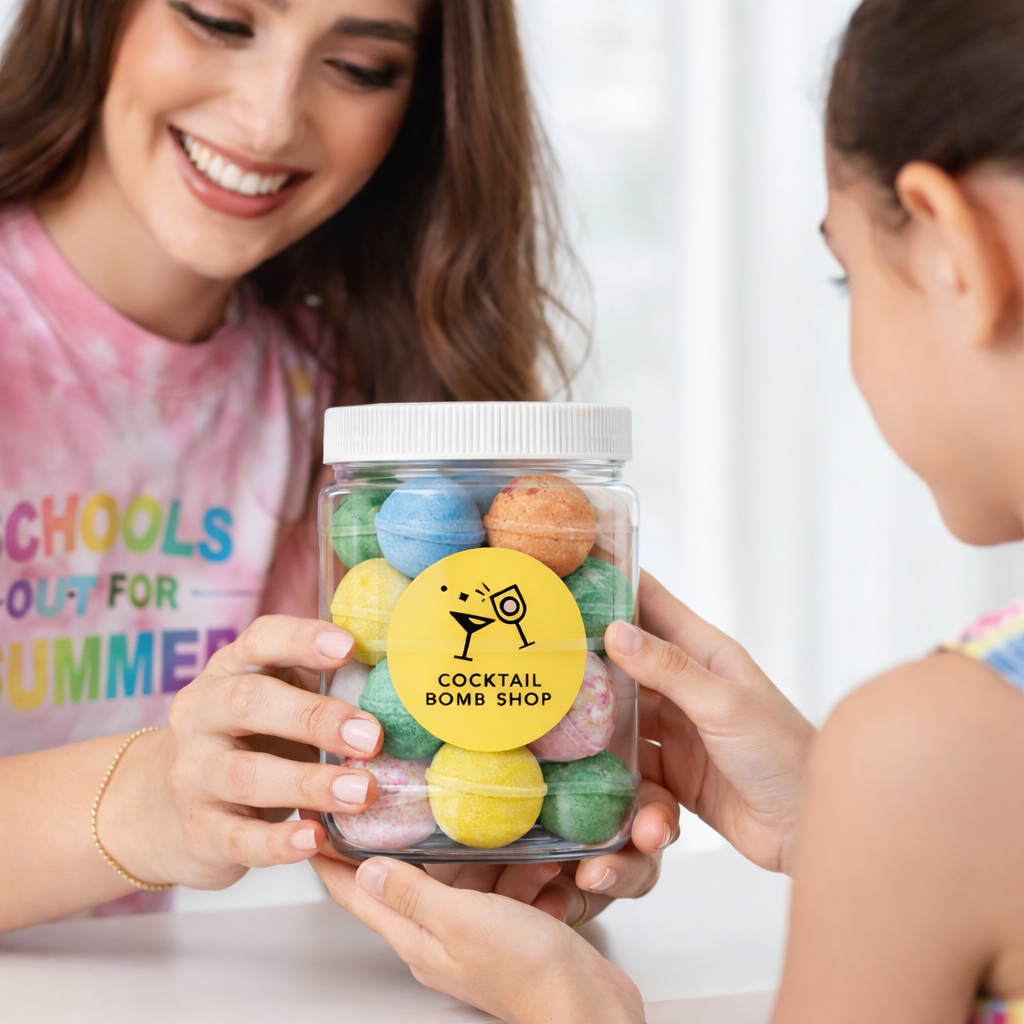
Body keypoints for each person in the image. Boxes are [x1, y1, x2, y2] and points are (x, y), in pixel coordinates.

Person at [313, 0, 1024, 1020]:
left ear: (955, 254)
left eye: (846, 273)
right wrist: (837, 818)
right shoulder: (946, 770)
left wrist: (574, 1007)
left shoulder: (942, 743)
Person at [0, 0, 678, 932]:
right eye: (219, 20)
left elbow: (372, 782)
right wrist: (147, 798)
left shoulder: (364, 419)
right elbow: (182, 809)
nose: (269, 119)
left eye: (360, 67)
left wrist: (493, 843)